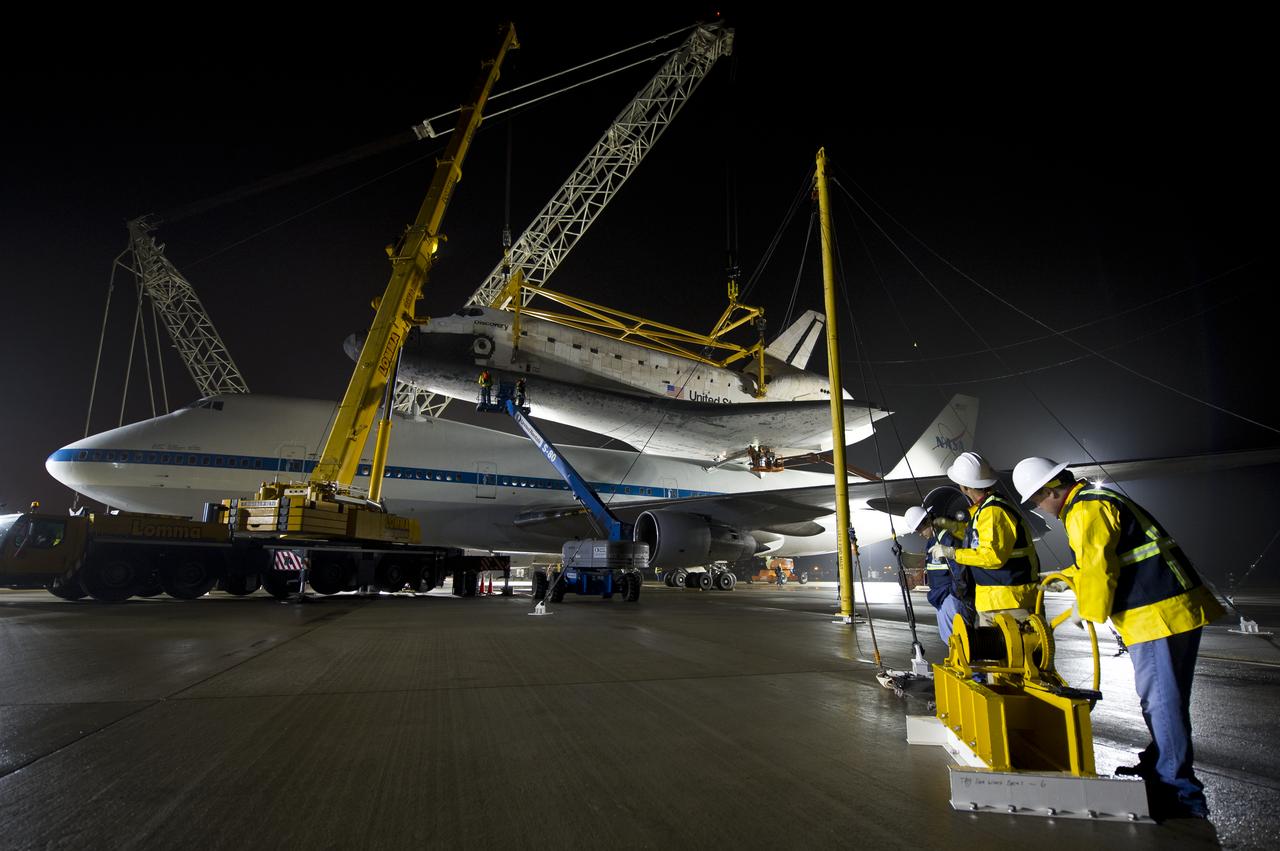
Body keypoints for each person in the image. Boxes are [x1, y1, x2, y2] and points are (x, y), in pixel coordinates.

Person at [1013, 457, 1223, 819]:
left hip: (1157, 617)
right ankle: (1160, 767)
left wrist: (1088, 610)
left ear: (1050, 491)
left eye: (1036, 502)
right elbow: (1108, 558)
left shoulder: (1084, 510)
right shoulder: (1102, 499)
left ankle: (1179, 792)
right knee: (1167, 700)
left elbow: (1099, 567)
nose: (1039, 510)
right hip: (1177, 609)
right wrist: (1069, 576)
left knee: (1161, 704)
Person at [929, 451, 1040, 621]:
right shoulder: (985, 509)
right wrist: (954, 527)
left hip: (1009, 602)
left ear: (964, 487)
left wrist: (953, 553)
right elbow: (978, 540)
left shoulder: (993, 511)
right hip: (997, 599)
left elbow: (992, 556)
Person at [905, 505, 973, 645]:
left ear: (928, 521)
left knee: (962, 641)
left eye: (919, 529)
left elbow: (960, 569)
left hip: (951, 597)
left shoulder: (948, 538)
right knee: (952, 641)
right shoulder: (933, 541)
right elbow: (937, 570)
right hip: (941, 598)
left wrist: (955, 595)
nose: (919, 533)